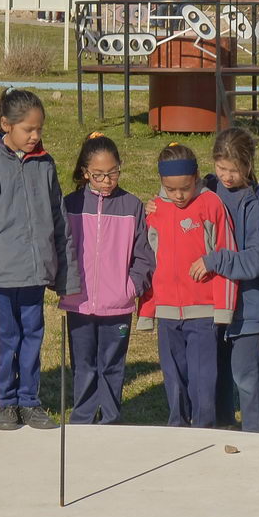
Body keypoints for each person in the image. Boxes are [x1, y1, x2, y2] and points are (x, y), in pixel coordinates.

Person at [0, 88, 79, 431]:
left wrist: (66, 277)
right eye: (28, 129)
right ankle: (6, 402)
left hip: (36, 273)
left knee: (33, 336)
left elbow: (59, 223)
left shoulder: (45, 163)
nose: (35, 136)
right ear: (5, 125)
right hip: (2, 276)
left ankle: (29, 400)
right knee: (7, 338)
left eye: (39, 129)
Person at [139, 143, 237, 427]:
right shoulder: (155, 211)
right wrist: (147, 310)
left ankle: (203, 428)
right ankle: (177, 426)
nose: (179, 196)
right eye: (171, 189)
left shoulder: (211, 205)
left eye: (185, 187)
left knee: (203, 377)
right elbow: (149, 262)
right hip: (167, 311)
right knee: (173, 375)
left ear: (196, 178)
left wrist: (223, 310)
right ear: (161, 183)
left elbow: (226, 255)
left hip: (203, 310)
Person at [59, 132, 153, 425]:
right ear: (85, 173)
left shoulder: (132, 206)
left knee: (112, 365)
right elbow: (60, 248)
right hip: (79, 303)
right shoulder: (70, 204)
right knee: (84, 364)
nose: (106, 180)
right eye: (98, 175)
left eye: (112, 173)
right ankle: (84, 417)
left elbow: (144, 255)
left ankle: (111, 418)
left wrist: (131, 287)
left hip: (118, 305)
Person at [197, 126, 259, 432]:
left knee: (246, 376)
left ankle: (257, 433)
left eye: (235, 170)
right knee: (216, 373)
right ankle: (222, 426)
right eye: (221, 168)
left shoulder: (256, 204)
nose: (227, 176)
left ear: (248, 165)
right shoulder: (205, 190)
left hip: (248, 307)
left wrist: (216, 260)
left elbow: (257, 259)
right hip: (213, 303)